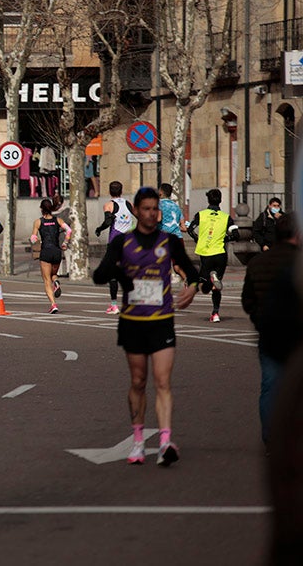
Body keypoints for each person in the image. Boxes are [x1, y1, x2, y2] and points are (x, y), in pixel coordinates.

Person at [92, 186, 201, 467]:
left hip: (162, 321)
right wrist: (123, 276)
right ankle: (138, 441)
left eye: (156, 209)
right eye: (148, 209)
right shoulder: (122, 243)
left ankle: (165, 442)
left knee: (163, 382)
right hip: (132, 322)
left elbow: (191, 271)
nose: (153, 214)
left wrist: (192, 286)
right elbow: (100, 275)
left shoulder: (170, 242)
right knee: (138, 382)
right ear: (137, 211)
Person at [241, 216, 301, 448]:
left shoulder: (258, 263)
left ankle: (271, 438)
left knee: (270, 386)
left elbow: (248, 301)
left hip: (269, 334)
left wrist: (260, 319)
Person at [187, 188, 239, 323]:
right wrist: (224, 239)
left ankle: (207, 279)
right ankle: (215, 313)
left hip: (206, 253)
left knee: (203, 285)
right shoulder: (226, 217)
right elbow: (236, 235)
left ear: (208, 200)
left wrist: (198, 239)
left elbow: (190, 229)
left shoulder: (201, 215)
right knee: (217, 287)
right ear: (220, 200)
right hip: (220, 254)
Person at [94, 180, 135, 314]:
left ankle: (114, 305)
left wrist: (99, 229)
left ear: (109, 191)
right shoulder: (129, 204)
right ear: (121, 191)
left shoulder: (109, 205)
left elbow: (108, 221)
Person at [30, 198, 72, 314]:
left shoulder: (38, 222)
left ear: (41, 209)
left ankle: (53, 304)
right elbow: (69, 230)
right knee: (53, 274)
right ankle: (57, 282)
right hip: (57, 251)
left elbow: (33, 238)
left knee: (46, 279)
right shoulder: (57, 220)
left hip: (46, 252)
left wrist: (34, 240)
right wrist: (65, 243)